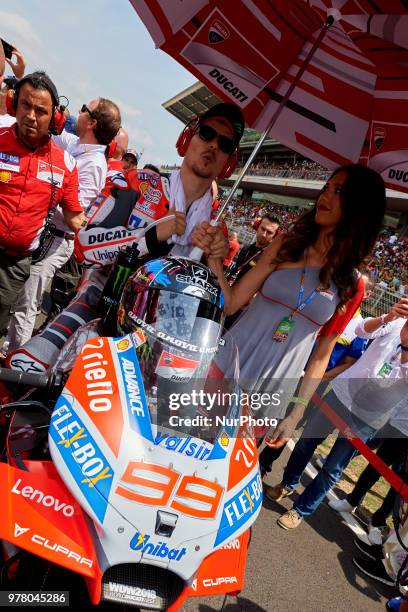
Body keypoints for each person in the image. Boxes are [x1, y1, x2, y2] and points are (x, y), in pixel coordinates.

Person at [6, 102, 242, 372]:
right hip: (99, 306)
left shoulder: (216, 231)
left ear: (228, 162)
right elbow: (84, 243)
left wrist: (214, 262)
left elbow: (221, 309)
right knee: (25, 366)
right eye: (207, 134)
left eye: (225, 144)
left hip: (160, 342)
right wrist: (149, 237)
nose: (213, 146)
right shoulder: (134, 182)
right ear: (188, 138)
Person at [193, 164, 386, 453]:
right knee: (184, 447)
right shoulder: (286, 244)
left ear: (359, 208)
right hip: (226, 366)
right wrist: (214, 260)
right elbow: (232, 302)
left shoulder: (352, 285)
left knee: (221, 470)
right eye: (326, 188)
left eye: (339, 191)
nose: (326, 196)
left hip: (271, 394)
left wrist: (296, 412)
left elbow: (321, 356)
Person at [265, 302, 408, 530]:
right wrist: (385, 318)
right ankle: (288, 483)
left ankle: (300, 510)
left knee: (333, 467)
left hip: (369, 416)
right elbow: (360, 330)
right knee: (305, 443)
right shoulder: (395, 321)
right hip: (341, 395)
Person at [2, 95, 121, 353]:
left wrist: (39, 190)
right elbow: (50, 132)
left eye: (83, 109)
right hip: (44, 233)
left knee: (27, 303)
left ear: (91, 121)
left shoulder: (94, 164)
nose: (77, 113)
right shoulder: (77, 144)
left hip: (58, 238)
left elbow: (75, 211)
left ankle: (15, 364)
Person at [0, 71, 83, 334]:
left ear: (55, 118)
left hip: (14, 266)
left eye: (41, 110)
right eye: (25, 105)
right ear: (14, 104)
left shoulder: (66, 164)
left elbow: (74, 218)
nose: (31, 116)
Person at [228, 214, 280, 282]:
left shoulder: (269, 259)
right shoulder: (246, 248)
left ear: (274, 236)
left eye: (269, 232)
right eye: (263, 229)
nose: (264, 235)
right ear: (257, 227)